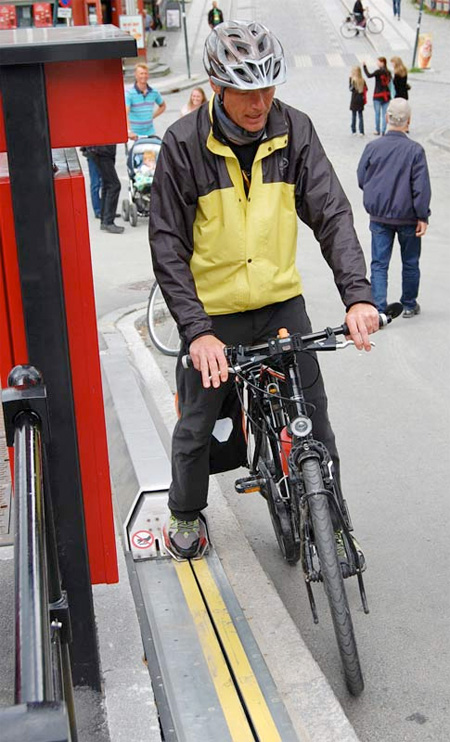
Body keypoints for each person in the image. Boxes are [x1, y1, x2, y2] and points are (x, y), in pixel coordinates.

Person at [149, 20, 379, 561]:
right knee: (197, 421)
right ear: (218, 88)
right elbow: (166, 247)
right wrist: (197, 332)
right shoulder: (184, 145)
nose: (259, 103)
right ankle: (185, 510)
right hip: (214, 313)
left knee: (316, 421)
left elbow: (332, 213)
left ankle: (335, 521)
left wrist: (358, 295)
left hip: (279, 302)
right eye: (246, 91)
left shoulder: (293, 130)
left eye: (268, 88)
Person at [357, 99, 431, 318]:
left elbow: (362, 178)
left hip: (379, 216)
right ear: (408, 121)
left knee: (379, 264)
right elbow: (421, 187)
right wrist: (422, 216)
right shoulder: (415, 150)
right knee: (410, 261)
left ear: (387, 118)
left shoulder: (373, 147)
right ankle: (408, 304)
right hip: (407, 217)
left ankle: (379, 308)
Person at [86, 145, 124, 234]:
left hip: (101, 151)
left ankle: (105, 218)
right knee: (114, 185)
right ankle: (108, 221)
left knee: (107, 184)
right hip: (102, 151)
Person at [125, 63, 166, 140]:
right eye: (141, 73)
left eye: (145, 73)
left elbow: (163, 106)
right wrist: (129, 131)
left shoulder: (154, 92)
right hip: (135, 135)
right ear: (136, 75)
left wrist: (152, 116)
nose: (143, 76)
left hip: (150, 133)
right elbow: (125, 114)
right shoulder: (129, 93)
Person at [363, 57, 391, 136]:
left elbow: (369, 75)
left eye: (378, 62)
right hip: (386, 95)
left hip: (378, 94)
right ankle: (383, 130)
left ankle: (377, 129)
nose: (377, 63)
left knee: (377, 114)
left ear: (382, 63)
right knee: (385, 114)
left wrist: (364, 67)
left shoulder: (378, 72)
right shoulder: (388, 72)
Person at [81, 146, 102, 218]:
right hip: (93, 152)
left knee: (104, 182)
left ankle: (105, 209)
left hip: (100, 152)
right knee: (95, 183)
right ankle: (98, 210)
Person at [349, 66, 367, 136]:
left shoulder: (353, 80)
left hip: (354, 99)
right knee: (360, 115)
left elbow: (350, 89)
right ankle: (361, 131)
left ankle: (354, 130)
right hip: (360, 100)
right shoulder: (362, 80)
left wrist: (349, 80)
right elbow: (366, 89)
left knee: (354, 115)